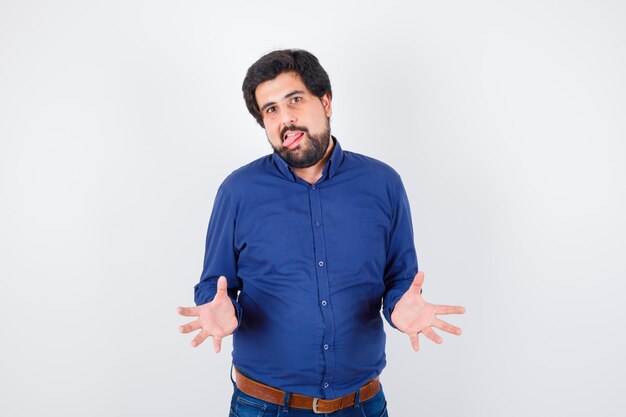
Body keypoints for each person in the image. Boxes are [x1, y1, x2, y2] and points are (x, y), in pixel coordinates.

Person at [177, 49, 465, 416]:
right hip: (263, 407)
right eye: (271, 110)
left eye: (294, 100)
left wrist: (399, 307)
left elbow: (400, 279)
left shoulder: (383, 184)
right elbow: (214, 286)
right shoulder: (238, 192)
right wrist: (220, 307)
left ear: (325, 101)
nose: (286, 119)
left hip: (360, 405)